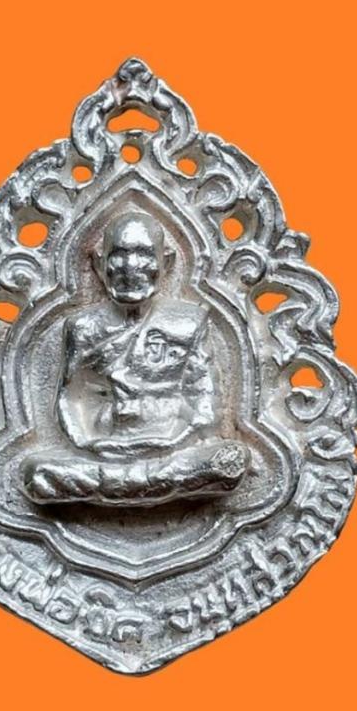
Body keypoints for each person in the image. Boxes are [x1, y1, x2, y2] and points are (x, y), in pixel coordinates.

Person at [22, 212, 249, 506]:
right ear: (99, 263)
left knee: (228, 461)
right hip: (105, 452)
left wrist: (177, 439)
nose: (130, 267)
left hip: (172, 450)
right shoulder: (82, 327)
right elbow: (69, 398)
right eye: (119, 256)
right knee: (38, 473)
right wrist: (87, 443)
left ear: (166, 261)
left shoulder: (188, 322)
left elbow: (206, 401)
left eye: (143, 255)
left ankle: (128, 486)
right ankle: (144, 484)